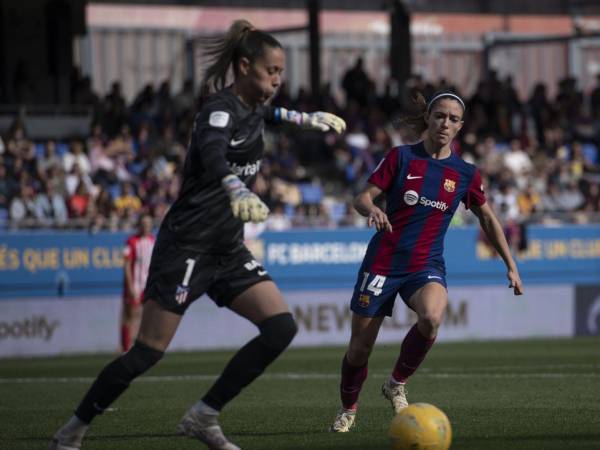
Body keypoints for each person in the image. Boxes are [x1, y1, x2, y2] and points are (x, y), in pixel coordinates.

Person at [50, 19, 346, 450]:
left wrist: (309, 118)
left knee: (280, 328)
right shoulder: (219, 109)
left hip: (226, 247)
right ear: (244, 66)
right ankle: (71, 431)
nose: (277, 80)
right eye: (271, 71)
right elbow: (210, 151)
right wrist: (233, 186)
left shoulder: (254, 108)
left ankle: (204, 415)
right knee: (148, 352)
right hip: (186, 244)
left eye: (281, 73)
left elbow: (272, 114)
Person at [329, 91, 523, 433]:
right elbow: (362, 196)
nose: (445, 123)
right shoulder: (401, 158)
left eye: (452, 118)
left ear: (460, 126)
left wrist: (511, 264)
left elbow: (489, 218)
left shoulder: (465, 173)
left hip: (425, 265)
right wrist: (372, 208)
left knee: (432, 317)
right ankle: (349, 408)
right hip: (382, 264)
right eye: (439, 116)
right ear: (429, 119)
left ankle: (395, 384)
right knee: (359, 350)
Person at [121, 213, 155, 352]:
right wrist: (130, 287)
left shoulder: (153, 241)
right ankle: (126, 348)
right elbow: (127, 265)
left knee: (148, 316)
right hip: (135, 285)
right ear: (139, 225)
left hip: (148, 285)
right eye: (144, 223)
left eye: (148, 224)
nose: (146, 226)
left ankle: (144, 347)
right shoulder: (132, 241)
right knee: (130, 316)